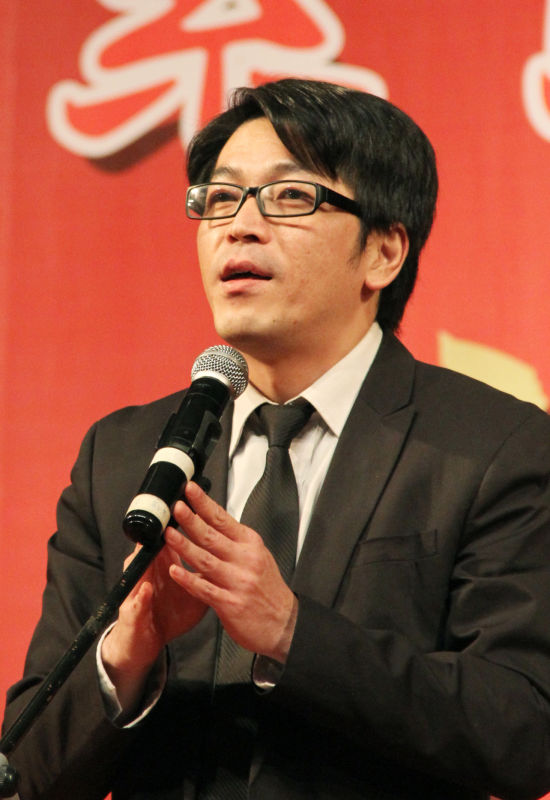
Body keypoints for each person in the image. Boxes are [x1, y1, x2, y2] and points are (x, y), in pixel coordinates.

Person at [3, 78, 550, 800]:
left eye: (290, 197)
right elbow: (27, 773)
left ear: (384, 253)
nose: (239, 226)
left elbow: (523, 732)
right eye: (220, 198)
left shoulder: (493, 446)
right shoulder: (125, 456)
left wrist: (293, 632)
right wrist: (127, 651)